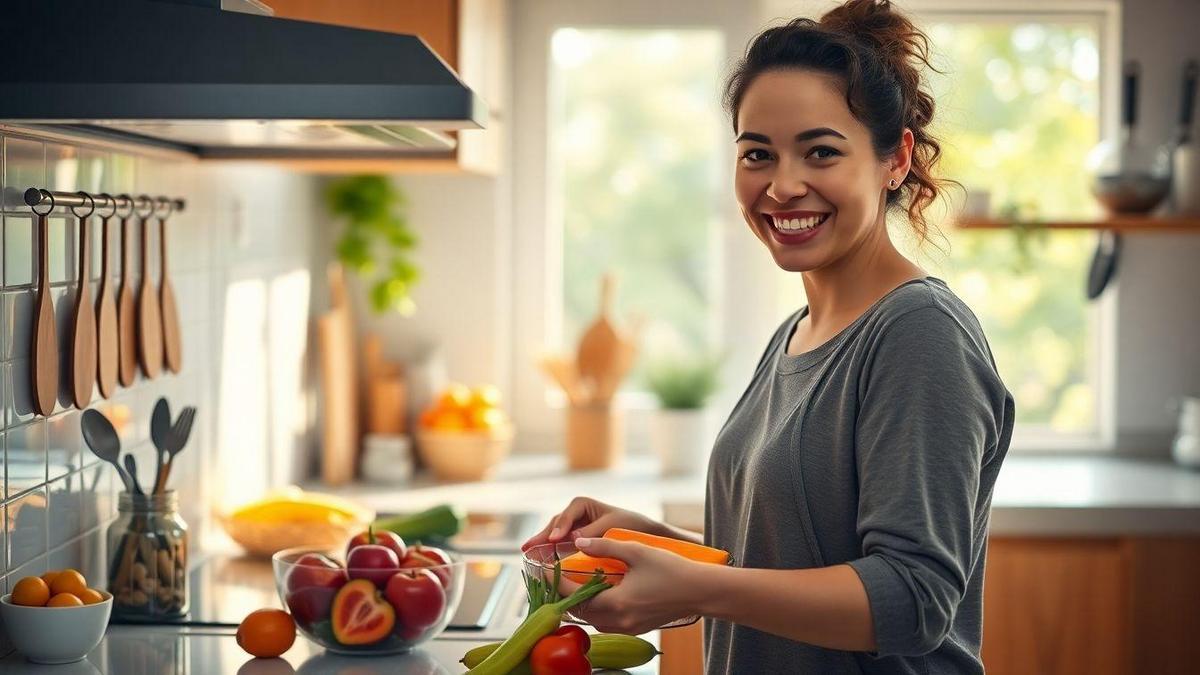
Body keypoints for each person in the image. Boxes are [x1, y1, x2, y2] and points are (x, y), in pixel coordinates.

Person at [522, 1, 1015, 672]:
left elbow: (913, 599)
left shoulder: (919, 334)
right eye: (758, 153)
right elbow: (784, 563)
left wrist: (697, 586)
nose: (782, 186)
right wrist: (659, 546)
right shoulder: (797, 333)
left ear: (894, 159)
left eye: (820, 151)